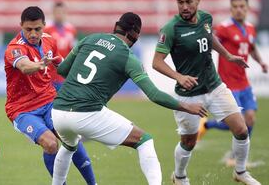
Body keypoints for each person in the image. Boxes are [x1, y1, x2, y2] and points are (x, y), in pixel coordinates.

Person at [51, 12, 208, 185]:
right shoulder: (128, 57)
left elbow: (62, 70)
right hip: (87, 113)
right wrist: (187, 106)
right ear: (133, 33)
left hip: (58, 112)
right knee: (144, 140)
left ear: (117, 26)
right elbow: (154, 94)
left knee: (69, 146)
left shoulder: (90, 39)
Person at [152, 0, 261, 185]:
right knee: (189, 141)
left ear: (198, 1)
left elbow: (209, 37)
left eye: (188, 2)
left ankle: (240, 171)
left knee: (241, 129)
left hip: (215, 86)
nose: (184, 7)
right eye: (180, 3)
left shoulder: (206, 18)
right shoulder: (171, 28)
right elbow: (156, 62)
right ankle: (180, 176)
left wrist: (227, 55)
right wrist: (178, 77)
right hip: (188, 95)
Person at [4, 6, 97, 185]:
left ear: (44, 26)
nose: (33, 33)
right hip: (23, 110)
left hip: (49, 101)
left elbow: (61, 64)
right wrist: (39, 65)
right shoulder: (14, 48)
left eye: (37, 29)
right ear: (21, 26)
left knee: (70, 138)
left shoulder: (49, 41)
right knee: (50, 143)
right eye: (28, 29)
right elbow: (24, 66)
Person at [198, 0, 268, 167]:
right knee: (236, 123)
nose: (239, 9)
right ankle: (208, 124)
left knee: (250, 119)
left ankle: (237, 157)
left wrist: (261, 62)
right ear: (231, 9)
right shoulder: (224, 28)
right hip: (228, 84)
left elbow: (251, 47)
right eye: (235, 6)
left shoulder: (250, 28)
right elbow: (209, 43)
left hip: (244, 83)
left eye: (242, 6)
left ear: (247, 8)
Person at [44, 1, 77, 91]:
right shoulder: (46, 29)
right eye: (57, 12)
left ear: (65, 13)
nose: (59, 15)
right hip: (48, 73)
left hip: (63, 73)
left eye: (62, 12)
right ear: (53, 13)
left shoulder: (71, 29)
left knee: (61, 102)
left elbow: (73, 50)